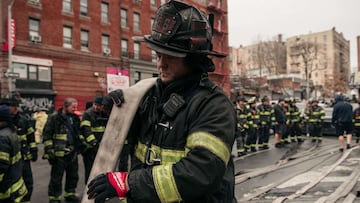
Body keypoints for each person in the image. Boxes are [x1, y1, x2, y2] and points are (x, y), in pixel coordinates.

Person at [87, 1, 237, 202]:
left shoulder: (213, 106)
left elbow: (200, 173)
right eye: (158, 55)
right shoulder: (148, 94)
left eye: (170, 56)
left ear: (193, 59)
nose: (160, 63)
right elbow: (131, 142)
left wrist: (130, 183)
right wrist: (115, 114)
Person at [42, 98, 81, 203]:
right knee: (56, 178)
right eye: (73, 107)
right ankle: (54, 198)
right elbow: (46, 135)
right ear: (65, 106)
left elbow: (77, 134)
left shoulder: (75, 118)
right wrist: (49, 149)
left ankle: (70, 194)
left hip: (72, 152)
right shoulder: (54, 118)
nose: (75, 109)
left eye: (76, 107)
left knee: (73, 175)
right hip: (58, 154)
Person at [1, 92, 37, 203]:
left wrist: (33, 149)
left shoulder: (23, 119)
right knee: (11, 184)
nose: (16, 108)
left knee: (27, 183)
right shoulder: (4, 121)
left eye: (17, 106)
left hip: (23, 157)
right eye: (13, 106)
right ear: (5, 106)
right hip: (9, 159)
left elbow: (30, 135)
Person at [0, 104, 28, 202]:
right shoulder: (11, 132)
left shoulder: (2, 138)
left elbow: (1, 165)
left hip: (7, 190)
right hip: (16, 186)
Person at [80, 96, 107, 183]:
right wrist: (93, 142)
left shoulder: (104, 113)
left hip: (101, 146)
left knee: (102, 169)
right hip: (90, 148)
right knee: (90, 170)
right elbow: (86, 130)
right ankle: (88, 188)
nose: (96, 107)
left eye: (98, 105)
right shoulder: (88, 114)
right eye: (95, 104)